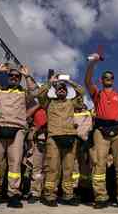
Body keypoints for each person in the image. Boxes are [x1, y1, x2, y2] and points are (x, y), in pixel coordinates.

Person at [0, 63, 36, 209]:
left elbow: (34, 91)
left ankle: (13, 195)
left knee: (15, 163)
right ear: (8, 77)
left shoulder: (24, 93)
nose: (14, 78)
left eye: (17, 76)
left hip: (17, 130)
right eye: (11, 75)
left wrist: (27, 76)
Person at [85, 53, 118, 209]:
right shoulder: (97, 94)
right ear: (102, 80)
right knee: (99, 164)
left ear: (113, 80)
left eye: (110, 77)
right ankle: (101, 197)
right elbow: (88, 81)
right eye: (105, 77)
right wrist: (93, 63)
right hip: (100, 130)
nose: (108, 79)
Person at [36, 75, 84, 207]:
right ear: (55, 91)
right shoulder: (48, 103)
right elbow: (39, 95)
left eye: (64, 89)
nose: (61, 90)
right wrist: (50, 83)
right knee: (52, 168)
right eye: (59, 89)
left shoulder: (71, 103)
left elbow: (81, 92)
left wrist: (69, 82)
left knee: (68, 169)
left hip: (69, 137)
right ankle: (49, 195)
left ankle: (68, 195)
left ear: (67, 92)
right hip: (53, 138)